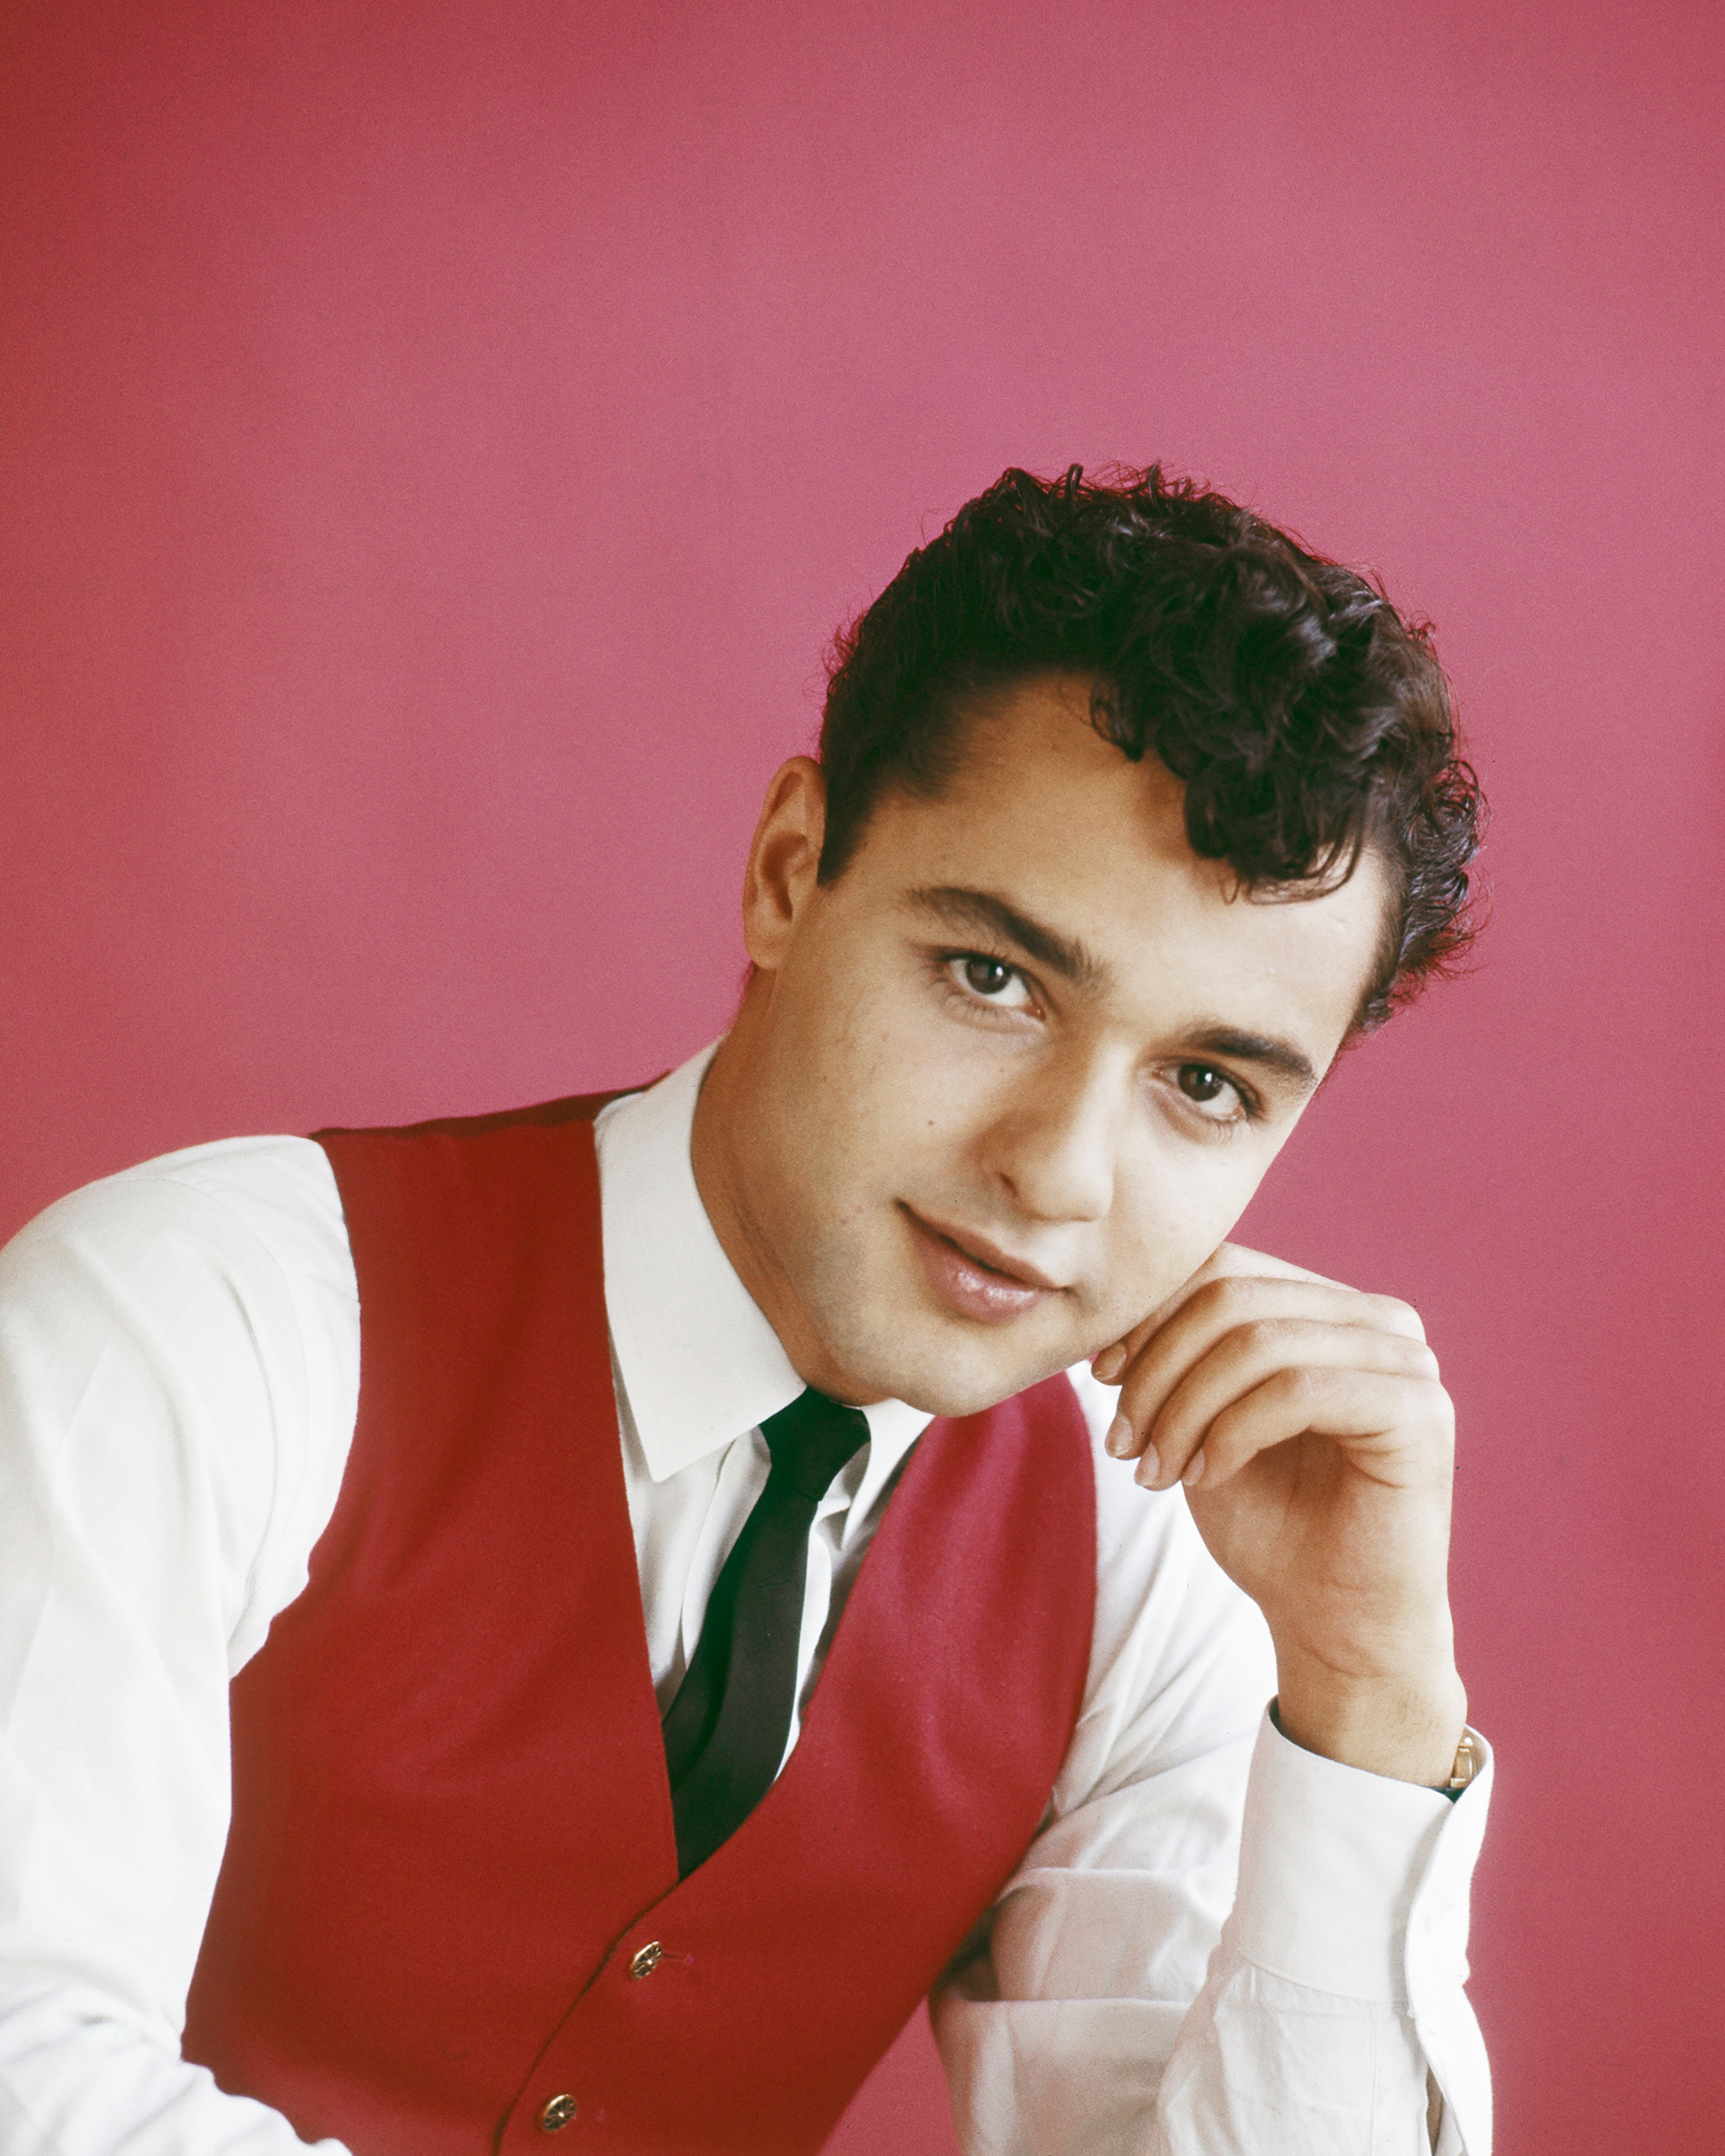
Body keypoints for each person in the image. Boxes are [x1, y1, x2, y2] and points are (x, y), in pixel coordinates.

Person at [0, 465, 1491, 2156]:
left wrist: (1370, 1701)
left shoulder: (1146, 1553)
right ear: (793, 872)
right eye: (994, 978)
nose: (1062, 1173)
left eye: (1208, 1084)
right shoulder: (201, 1319)